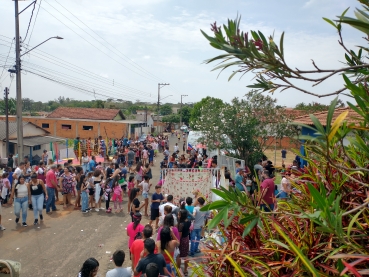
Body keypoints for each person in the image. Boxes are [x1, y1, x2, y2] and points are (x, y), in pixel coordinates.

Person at [177, 209, 191, 274]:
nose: (178, 216)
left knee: (179, 255)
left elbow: (180, 235)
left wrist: (177, 242)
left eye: (179, 215)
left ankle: (178, 269)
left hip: (182, 240)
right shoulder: (188, 221)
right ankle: (185, 270)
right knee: (186, 255)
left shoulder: (181, 224)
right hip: (186, 239)